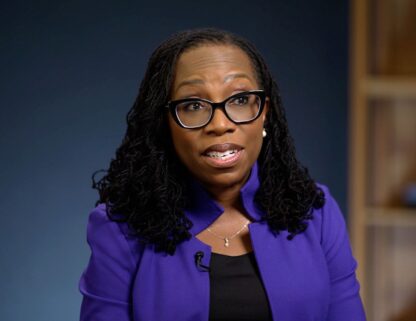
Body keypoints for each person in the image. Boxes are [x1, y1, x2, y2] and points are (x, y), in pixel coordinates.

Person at [79, 27, 366, 321]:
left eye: (240, 100)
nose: (220, 124)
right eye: (193, 105)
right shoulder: (121, 227)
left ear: (264, 110)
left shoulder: (316, 212)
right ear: (165, 123)